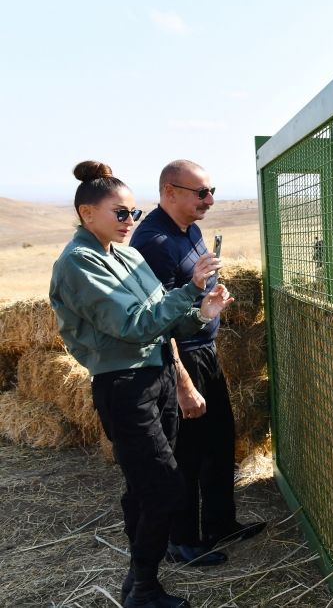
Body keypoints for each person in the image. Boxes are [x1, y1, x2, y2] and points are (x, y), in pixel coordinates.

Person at [50, 161, 232, 608]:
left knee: (144, 487)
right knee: (164, 487)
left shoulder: (127, 254)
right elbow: (133, 325)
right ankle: (144, 587)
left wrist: (202, 312)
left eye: (134, 212)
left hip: (158, 375)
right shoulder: (77, 264)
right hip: (125, 385)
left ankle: (139, 583)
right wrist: (190, 290)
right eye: (120, 214)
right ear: (86, 214)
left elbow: (160, 320)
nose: (131, 222)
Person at [130, 159, 265, 566]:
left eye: (212, 191)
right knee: (186, 454)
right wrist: (183, 383)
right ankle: (181, 541)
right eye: (200, 193)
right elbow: (156, 323)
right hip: (178, 357)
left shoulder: (190, 230)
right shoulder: (154, 243)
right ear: (169, 191)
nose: (209, 200)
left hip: (204, 349)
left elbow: (191, 294)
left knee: (219, 442)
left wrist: (210, 300)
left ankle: (220, 524)